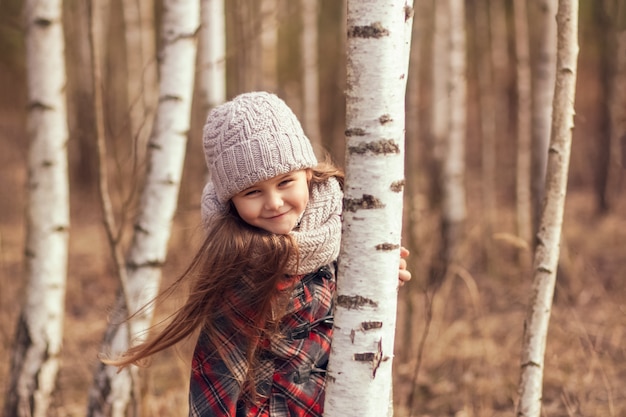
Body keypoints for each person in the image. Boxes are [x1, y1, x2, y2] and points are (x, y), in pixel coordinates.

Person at [105, 92, 411, 416]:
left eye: (285, 182)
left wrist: (375, 276)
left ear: (307, 172)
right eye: (253, 192)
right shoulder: (239, 267)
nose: (274, 203)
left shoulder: (344, 222)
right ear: (231, 200)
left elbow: (352, 314)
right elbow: (215, 376)